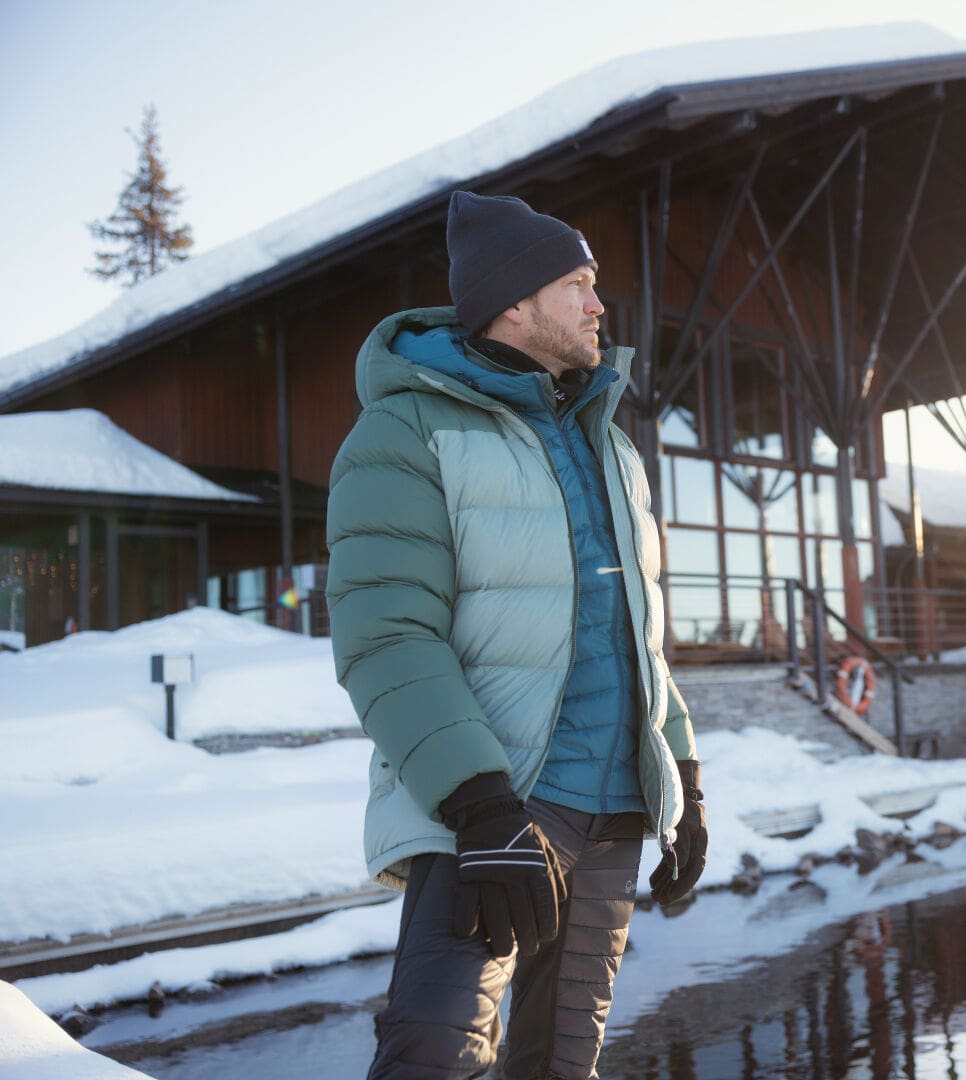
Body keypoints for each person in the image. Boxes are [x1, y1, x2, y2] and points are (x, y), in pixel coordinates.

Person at [326, 189, 707, 1079]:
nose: (598, 305)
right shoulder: (407, 428)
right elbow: (387, 636)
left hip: (613, 808)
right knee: (433, 1052)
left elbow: (637, 634)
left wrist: (681, 776)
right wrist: (480, 805)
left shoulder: (610, 445)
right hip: (503, 806)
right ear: (514, 301)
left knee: (560, 1063)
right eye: (578, 283)